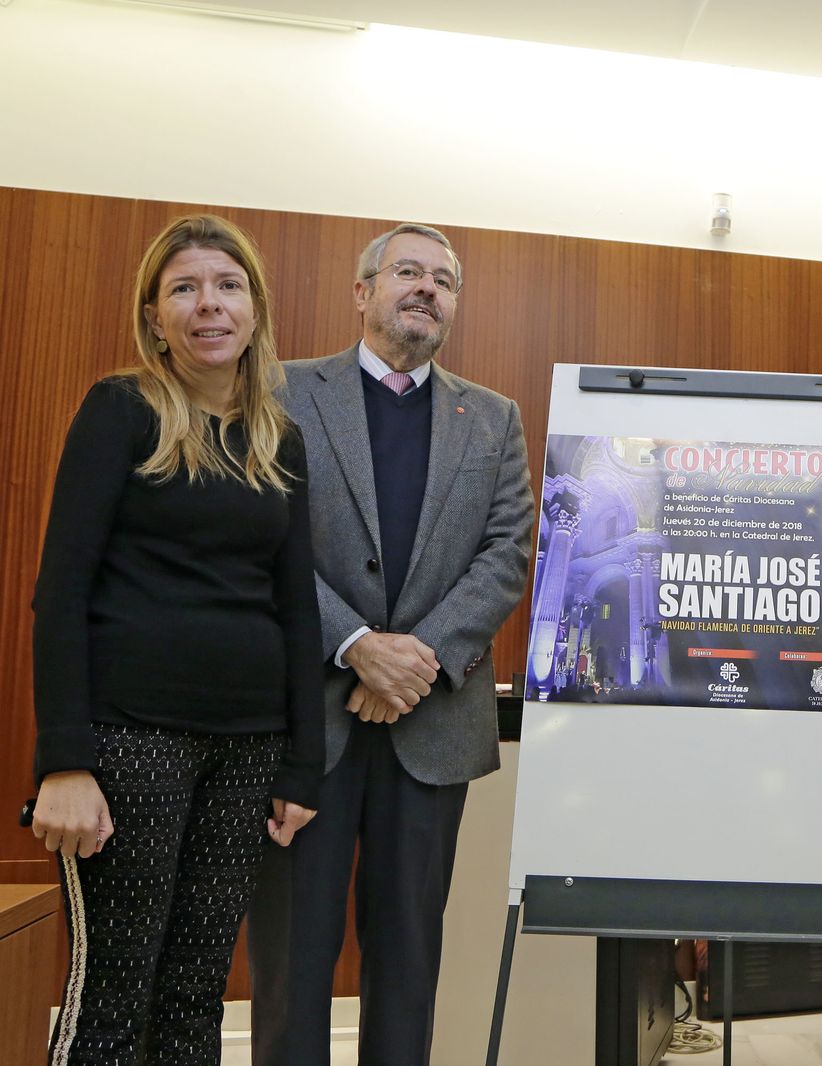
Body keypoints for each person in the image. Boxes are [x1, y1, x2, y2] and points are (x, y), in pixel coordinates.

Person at [29, 213, 322, 1063]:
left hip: (249, 748)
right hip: (129, 740)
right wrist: (65, 761)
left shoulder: (280, 439)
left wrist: (301, 764)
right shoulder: (120, 411)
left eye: (227, 286)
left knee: (196, 994)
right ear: (155, 315)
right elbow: (63, 590)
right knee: (115, 992)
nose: (208, 306)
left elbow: (297, 609)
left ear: (256, 308)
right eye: (184, 289)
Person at [248, 223, 535, 1065]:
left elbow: (508, 550)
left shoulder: (493, 418)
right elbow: (261, 536)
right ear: (362, 291)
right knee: (293, 956)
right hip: (306, 726)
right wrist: (357, 645)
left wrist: (416, 660)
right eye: (408, 271)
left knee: (410, 956)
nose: (426, 289)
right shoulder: (280, 391)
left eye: (443, 280)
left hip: (432, 725)